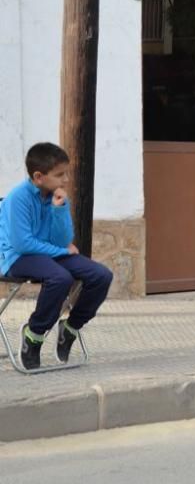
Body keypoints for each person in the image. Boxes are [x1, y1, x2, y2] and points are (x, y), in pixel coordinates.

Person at [0, 143, 113, 370]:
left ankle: (70, 328)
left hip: (47, 253)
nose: (66, 180)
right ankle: (34, 334)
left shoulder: (57, 196)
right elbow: (22, 244)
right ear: (39, 176)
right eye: (60, 175)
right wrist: (62, 251)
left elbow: (63, 239)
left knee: (101, 275)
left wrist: (59, 209)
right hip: (16, 257)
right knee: (61, 277)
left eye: (66, 173)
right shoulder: (17, 198)